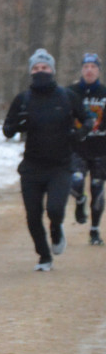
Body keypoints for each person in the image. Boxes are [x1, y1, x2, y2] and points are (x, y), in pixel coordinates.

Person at [3, 48, 94, 271]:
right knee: (33, 216)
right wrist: (19, 125)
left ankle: (56, 230)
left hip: (60, 166)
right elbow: (7, 129)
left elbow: (88, 119)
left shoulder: (66, 96)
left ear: (52, 70)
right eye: (36, 68)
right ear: (30, 72)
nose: (40, 71)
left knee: (55, 210)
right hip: (32, 166)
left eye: (44, 67)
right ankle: (44, 257)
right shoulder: (23, 99)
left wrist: (79, 133)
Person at [67, 52, 106, 244]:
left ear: (99, 70)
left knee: (97, 189)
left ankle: (94, 231)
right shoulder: (70, 92)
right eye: (86, 67)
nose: (89, 70)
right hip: (77, 148)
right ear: (81, 70)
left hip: (100, 149)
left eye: (93, 67)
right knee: (75, 182)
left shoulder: (104, 93)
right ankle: (79, 201)